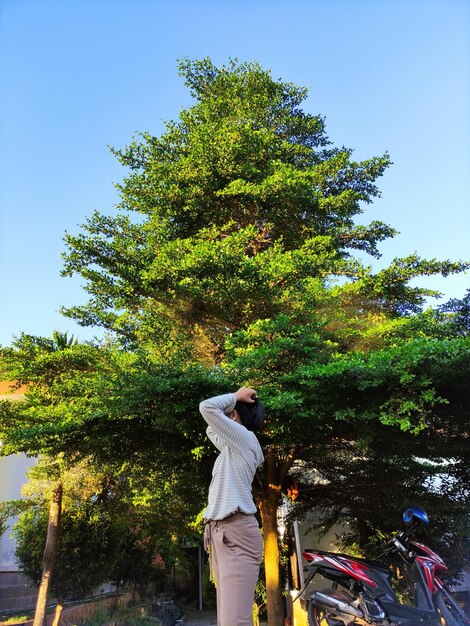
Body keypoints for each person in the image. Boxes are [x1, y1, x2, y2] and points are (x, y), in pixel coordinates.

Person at [199, 386, 265, 626]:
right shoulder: (231, 447)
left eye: (230, 412)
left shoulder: (245, 439)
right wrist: (233, 405)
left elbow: (206, 407)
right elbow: (210, 426)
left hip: (235, 532)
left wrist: (236, 397)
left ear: (234, 416)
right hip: (222, 533)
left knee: (234, 621)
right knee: (227, 619)